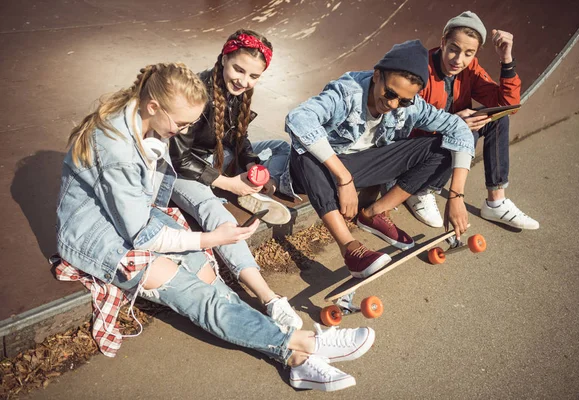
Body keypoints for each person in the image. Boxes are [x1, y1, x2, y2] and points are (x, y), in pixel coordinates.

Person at [54, 62, 375, 392]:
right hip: (99, 237)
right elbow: (141, 235)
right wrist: (212, 237)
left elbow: (140, 208)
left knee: (207, 277)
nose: (182, 131)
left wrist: (206, 236)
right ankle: (305, 344)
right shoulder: (117, 148)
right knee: (198, 297)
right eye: (180, 123)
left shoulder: (145, 118)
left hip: (134, 215)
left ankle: (296, 361)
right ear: (153, 106)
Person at [282, 40, 475, 279]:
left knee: (442, 148)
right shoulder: (346, 93)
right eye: (390, 94)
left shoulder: (410, 106)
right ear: (376, 76)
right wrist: (344, 178)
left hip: (363, 167)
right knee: (304, 150)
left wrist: (456, 196)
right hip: (320, 171)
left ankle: (373, 213)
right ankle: (350, 249)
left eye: (404, 100)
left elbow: (461, 130)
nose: (393, 105)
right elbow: (298, 119)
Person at [169, 30, 302, 329]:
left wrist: (254, 167)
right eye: (238, 69)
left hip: (218, 158)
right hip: (181, 170)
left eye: (253, 76)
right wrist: (227, 182)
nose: (243, 80)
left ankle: (251, 191)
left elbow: (239, 141)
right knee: (212, 210)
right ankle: (269, 298)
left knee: (278, 148)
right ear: (224, 58)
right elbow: (177, 156)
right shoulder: (197, 92)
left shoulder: (238, 94)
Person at [406, 11, 539, 230]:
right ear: (443, 43)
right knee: (462, 131)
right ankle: (420, 190)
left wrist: (506, 60)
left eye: (469, 53)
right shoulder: (421, 68)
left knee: (496, 118)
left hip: (445, 138)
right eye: (454, 50)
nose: (459, 60)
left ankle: (496, 201)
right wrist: (452, 122)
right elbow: (402, 119)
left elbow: (508, 106)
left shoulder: (470, 69)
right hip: (415, 149)